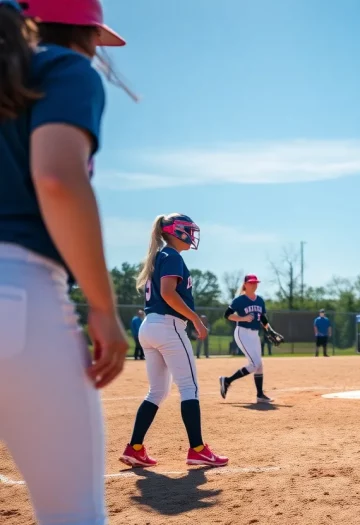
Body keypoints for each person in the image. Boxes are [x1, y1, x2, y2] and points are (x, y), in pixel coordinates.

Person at [0, 1, 130, 522]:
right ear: (85, 30)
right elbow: (56, 179)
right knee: (71, 513)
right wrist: (103, 307)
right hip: (18, 292)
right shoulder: (61, 65)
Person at [120, 213, 228, 468]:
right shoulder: (172, 256)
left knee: (157, 391)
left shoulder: (159, 256)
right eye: (189, 230)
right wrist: (196, 320)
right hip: (169, 326)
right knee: (189, 387)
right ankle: (198, 449)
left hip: (151, 327)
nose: (192, 235)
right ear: (176, 231)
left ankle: (134, 448)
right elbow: (168, 294)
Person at [219, 274, 284, 403]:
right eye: (251, 283)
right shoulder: (239, 300)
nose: (254, 285)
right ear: (245, 285)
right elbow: (227, 315)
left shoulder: (260, 300)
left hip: (254, 335)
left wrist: (270, 330)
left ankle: (260, 395)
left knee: (259, 365)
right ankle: (227, 381)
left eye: (256, 283)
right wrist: (242, 318)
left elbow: (263, 318)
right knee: (254, 364)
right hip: (242, 333)